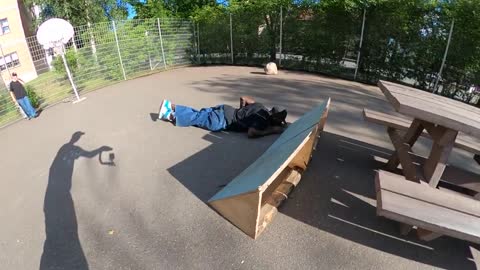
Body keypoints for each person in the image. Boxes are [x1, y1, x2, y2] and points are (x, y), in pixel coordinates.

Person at [157, 96, 288, 138]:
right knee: (196, 118)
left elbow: (244, 98)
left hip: (225, 108)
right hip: (223, 121)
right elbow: (251, 133)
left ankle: (172, 106)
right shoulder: (263, 121)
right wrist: (271, 131)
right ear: (274, 119)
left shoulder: (261, 106)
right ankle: (168, 114)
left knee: (198, 114)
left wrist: (241, 110)